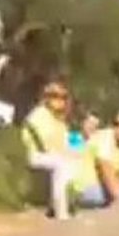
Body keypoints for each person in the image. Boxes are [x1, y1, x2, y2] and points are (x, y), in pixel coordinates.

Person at [21, 80, 77, 220]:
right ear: (47, 97)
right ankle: (61, 211)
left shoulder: (60, 120)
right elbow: (43, 144)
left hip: (51, 156)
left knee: (76, 162)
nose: (59, 100)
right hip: (33, 153)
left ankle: (69, 202)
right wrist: (65, 153)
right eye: (54, 96)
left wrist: (78, 148)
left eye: (63, 97)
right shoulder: (39, 114)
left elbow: (73, 144)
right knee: (61, 164)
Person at [71, 111, 119, 209]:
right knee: (110, 197)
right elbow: (107, 174)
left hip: (97, 185)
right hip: (82, 186)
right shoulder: (104, 139)